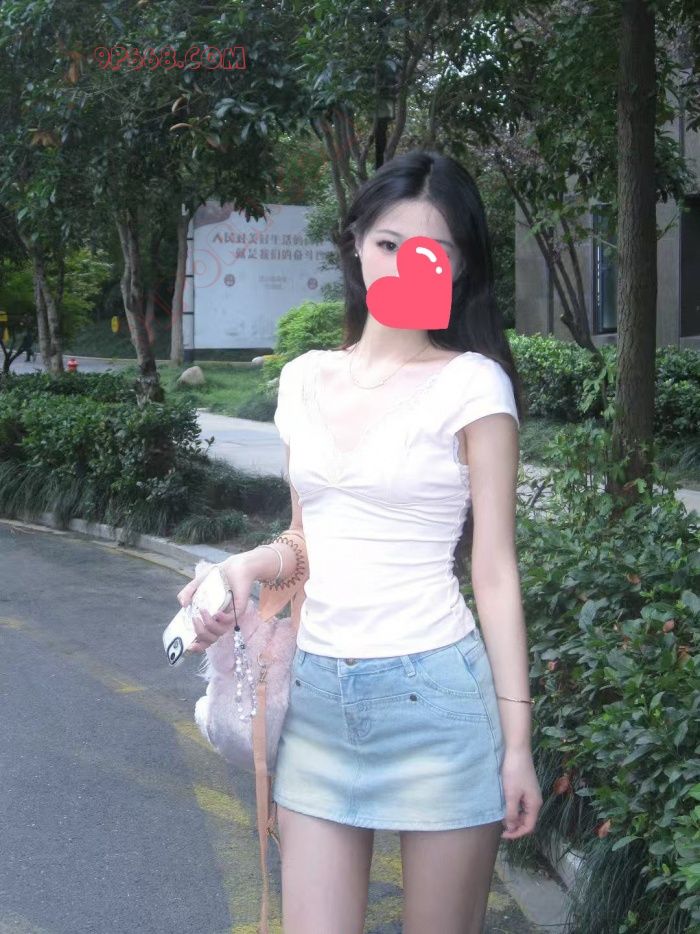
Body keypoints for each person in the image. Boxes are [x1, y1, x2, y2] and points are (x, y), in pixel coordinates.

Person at [182, 149, 543, 933]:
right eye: (388, 243)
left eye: (431, 251)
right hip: (317, 702)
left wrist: (517, 742)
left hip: (437, 699)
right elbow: (306, 539)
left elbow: (494, 571)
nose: (405, 264)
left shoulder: (473, 384)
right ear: (355, 244)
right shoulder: (304, 378)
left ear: (457, 267)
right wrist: (245, 565)